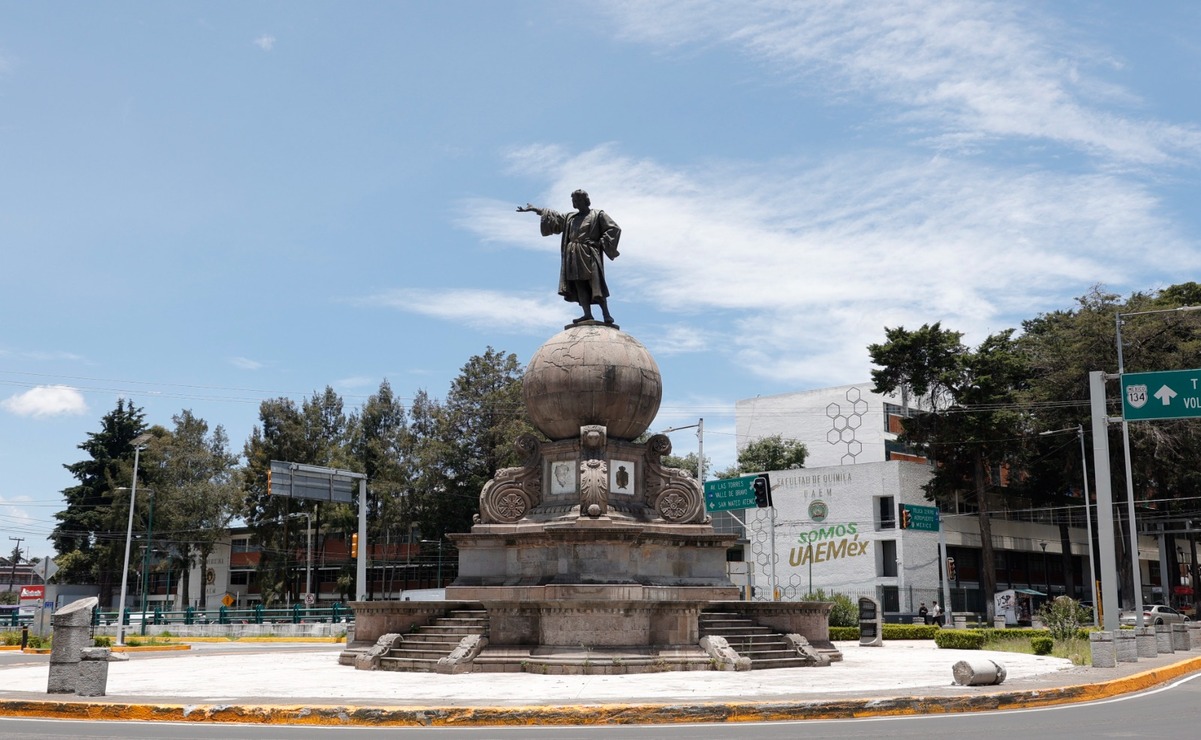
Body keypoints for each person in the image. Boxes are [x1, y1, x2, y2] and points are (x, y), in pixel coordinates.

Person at [518, 190, 621, 325]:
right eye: (574, 201)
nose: (576, 203)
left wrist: (600, 242)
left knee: (595, 283)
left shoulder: (597, 215)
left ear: (585, 200)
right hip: (573, 253)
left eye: (578, 200)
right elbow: (554, 217)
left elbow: (613, 229)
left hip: (589, 252)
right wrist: (535, 209)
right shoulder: (570, 217)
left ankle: (606, 314)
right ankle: (587, 314)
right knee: (579, 284)